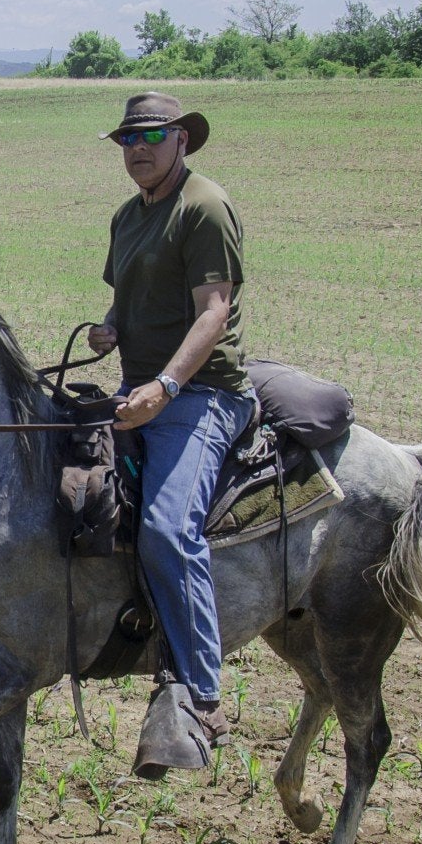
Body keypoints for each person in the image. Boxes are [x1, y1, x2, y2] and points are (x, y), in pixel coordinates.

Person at [86, 92, 255, 748]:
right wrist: (108, 329)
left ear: (181, 139)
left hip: (202, 393)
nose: (138, 149)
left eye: (152, 136)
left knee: (165, 529)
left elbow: (213, 312)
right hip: (140, 389)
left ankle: (202, 698)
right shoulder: (127, 216)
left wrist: (164, 386)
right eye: (128, 139)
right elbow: (128, 300)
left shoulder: (203, 206)